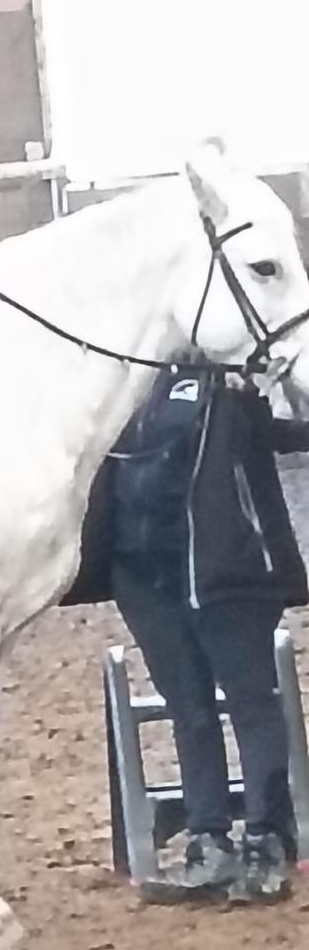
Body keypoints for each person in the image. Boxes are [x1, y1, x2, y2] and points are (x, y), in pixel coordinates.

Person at [109, 365, 309, 903]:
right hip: (146, 577)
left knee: (251, 705)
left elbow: (293, 428)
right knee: (189, 713)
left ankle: (267, 839)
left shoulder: (237, 382)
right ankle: (208, 840)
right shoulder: (126, 382)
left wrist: (276, 387)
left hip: (229, 573)